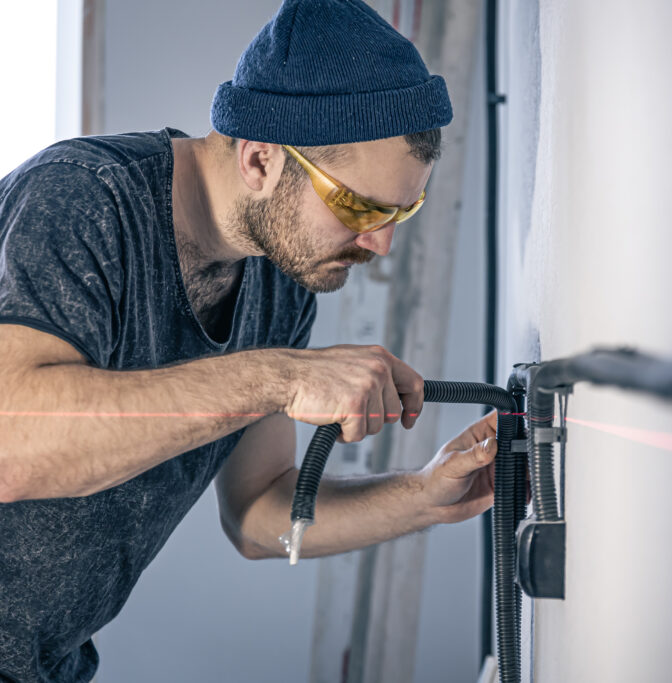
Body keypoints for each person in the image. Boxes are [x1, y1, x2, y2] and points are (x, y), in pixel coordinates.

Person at [0, 1, 498, 680]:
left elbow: (259, 510)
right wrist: (280, 377)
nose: (380, 244)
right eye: (358, 206)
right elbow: (11, 442)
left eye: (399, 211)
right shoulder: (83, 200)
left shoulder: (282, 280)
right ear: (260, 158)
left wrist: (423, 495)